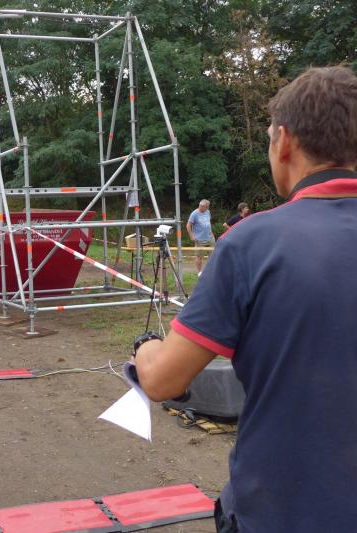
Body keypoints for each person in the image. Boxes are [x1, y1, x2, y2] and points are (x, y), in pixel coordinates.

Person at [132, 66, 357, 533]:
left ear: (284, 141)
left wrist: (146, 349)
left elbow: (163, 380)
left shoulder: (252, 243)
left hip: (281, 511)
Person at [186, 199, 215, 276]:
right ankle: (199, 273)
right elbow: (188, 225)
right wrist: (191, 236)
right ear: (201, 206)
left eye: (207, 207)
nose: (207, 208)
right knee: (199, 256)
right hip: (200, 239)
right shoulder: (194, 214)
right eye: (206, 207)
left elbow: (208, 223)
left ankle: (211, 271)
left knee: (213, 255)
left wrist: (212, 233)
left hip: (210, 237)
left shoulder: (208, 212)